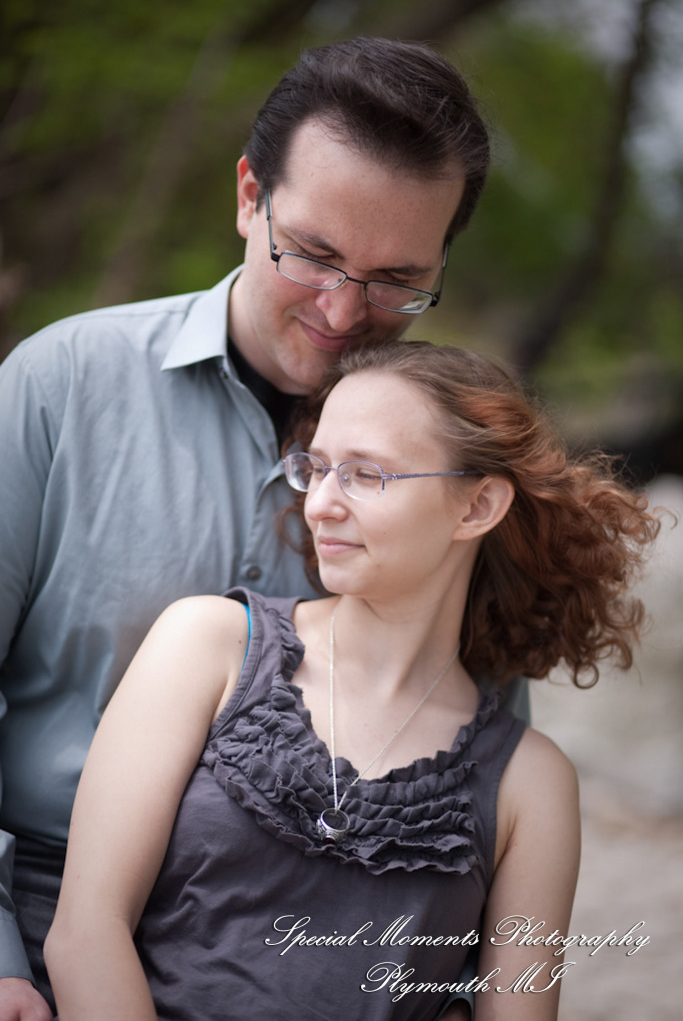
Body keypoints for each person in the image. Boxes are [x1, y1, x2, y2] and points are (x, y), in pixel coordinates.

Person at [0, 37, 492, 1020]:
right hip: (42, 916)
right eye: (311, 253)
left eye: (396, 278)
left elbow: (470, 763)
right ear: (247, 197)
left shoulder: (450, 463)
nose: (342, 310)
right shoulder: (59, 386)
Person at [44, 341, 658, 1021]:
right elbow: (85, 935)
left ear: (477, 506)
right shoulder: (208, 645)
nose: (320, 505)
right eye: (316, 468)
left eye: (366, 474)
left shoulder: (530, 783)